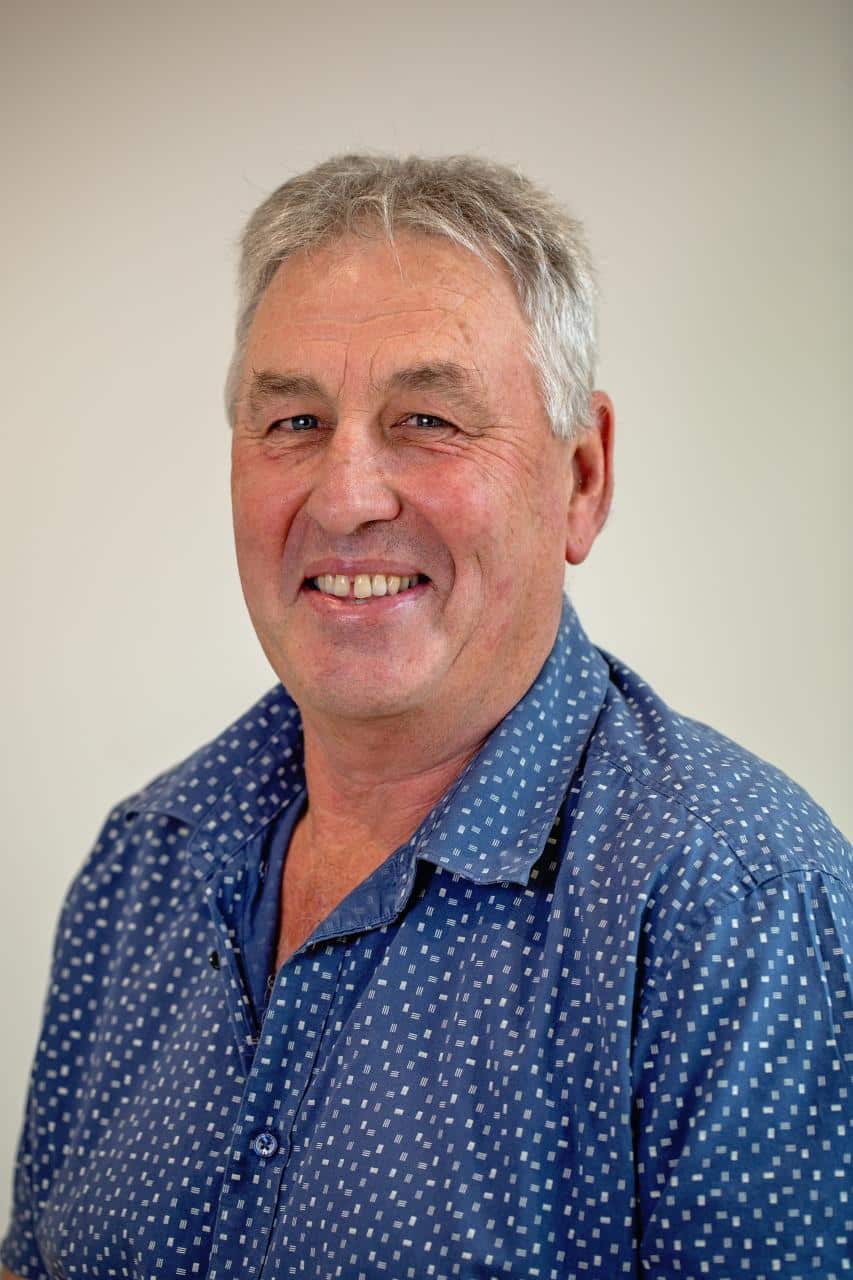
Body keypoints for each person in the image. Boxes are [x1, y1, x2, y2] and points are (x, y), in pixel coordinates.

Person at [2, 153, 850, 1280]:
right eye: (295, 420)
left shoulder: (735, 905)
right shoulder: (139, 865)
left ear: (582, 477)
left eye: (429, 419)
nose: (347, 495)